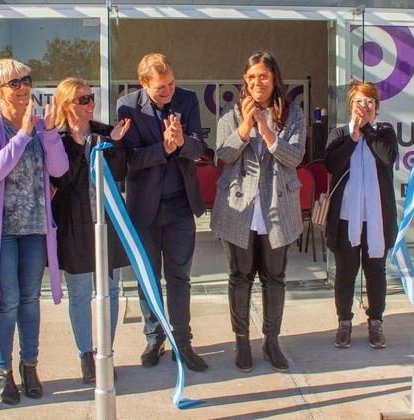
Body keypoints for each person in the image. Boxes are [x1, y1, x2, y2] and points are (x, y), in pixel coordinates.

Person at [0, 58, 68, 405]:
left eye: (26, 80)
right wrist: (24, 134)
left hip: (35, 229)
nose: (23, 87)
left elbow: (59, 169)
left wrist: (50, 133)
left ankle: (30, 366)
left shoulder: (41, 126)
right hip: (2, 233)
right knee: (6, 303)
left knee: (29, 301)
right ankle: (3, 370)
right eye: (14, 83)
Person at [211, 51, 305, 373]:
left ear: (274, 78)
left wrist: (266, 131)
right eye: (251, 77)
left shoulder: (293, 114)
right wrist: (245, 126)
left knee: (274, 276)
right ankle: (241, 342)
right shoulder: (232, 111)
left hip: (277, 205)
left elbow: (295, 157)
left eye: (263, 76)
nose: (257, 82)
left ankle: (271, 342)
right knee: (240, 276)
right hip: (240, 207)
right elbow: (223, 154)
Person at [117, 53, 208, 372]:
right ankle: (154, 338)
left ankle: (182, 342)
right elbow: (131, 158)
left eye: (171, 83)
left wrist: (181, 143)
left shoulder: (188, 100)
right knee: (148, 278)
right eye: (161, 87)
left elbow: (199, 147)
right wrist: (165, 148)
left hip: (180, 205)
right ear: (144, 83)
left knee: (179, 276)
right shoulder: (127, 106)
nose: (168, 91)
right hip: (145, 209)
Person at [51, 77, 131, 383]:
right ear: (67, 104)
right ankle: (85, 354)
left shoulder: (103, 132)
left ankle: (105, 353)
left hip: (107, 222)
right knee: (80, 293)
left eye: (91, 97)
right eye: (83, 99)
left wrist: (117, 142)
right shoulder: (57, 137)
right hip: (74, 224)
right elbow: (63, 180)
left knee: (110, 290)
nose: (91, 103)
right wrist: (77, 144)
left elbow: (120, 173)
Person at [323, 82, 398, 350]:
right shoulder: (339, 133)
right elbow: (332, 164)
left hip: (377, 218)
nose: (363, 107)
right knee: (345, 273)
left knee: (376, 271)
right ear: (350, 106)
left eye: (369, 102)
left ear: (376, 107)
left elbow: (387, 159)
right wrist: (353, 137)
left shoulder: (384, 132)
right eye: (358, 102)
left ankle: (375, 322)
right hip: (346, 218)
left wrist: (367, 129)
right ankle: (344, 322)